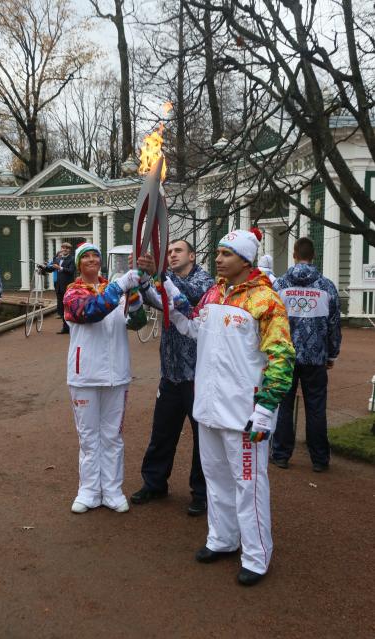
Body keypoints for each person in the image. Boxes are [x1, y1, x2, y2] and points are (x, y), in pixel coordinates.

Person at [165, 229, 295, 585]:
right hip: (209, 406)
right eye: (218, 253)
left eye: (226, 253)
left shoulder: (265, 300)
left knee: (249, 483)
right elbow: (194, 327)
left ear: (244, 259)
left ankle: (256, 555)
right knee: (216, 478)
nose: (218, 258)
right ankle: (222, 539)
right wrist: (163, 292)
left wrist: (266, 408)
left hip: (244, 412)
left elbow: (282, 357)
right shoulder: (212, 294)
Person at [130, 239, 214, 516]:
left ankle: (201, 493)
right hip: (170, 373)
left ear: (192, 255)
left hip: (197, 375)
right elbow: (157, 300)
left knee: (203, 437)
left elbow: (187, 297)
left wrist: (160, 273)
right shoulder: (164, 280)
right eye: (169, 252)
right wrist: (142, 279)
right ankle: (154, 483)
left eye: (178, 251)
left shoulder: (205, 281)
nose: (173, 255)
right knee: (162, 432)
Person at [63, 242, 146, 514]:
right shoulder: (72, 292)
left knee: (112, 436)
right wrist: (121, 286)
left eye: (95, 256)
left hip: (116, 375)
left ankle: (111, 489)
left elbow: (137, 323)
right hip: (84, 374)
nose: (90, 260)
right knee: (88, 438)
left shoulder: (117, 289)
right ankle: (88, 491)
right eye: (85, 257)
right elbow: (90, 312)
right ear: (78, 264)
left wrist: (134, 299)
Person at [271, 237, 342, 472]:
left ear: (294, 254)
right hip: (315, 356)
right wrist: (332, 354)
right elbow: (334, 325)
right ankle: (320, 459)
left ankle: (281, 454)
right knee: (316, 407)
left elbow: (270, 322)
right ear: (314, 256)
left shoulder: (279, 285)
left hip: (285, 355)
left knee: (284, 405)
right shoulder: (327, 286)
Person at [45, 243, 75, 333]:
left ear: (70, 250)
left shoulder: (72, 259)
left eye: (67, 248)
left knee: (68, 307)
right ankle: (65, 327)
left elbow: (71, 271)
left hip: (67, 286)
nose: (64, 249)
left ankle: (71, 327)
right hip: (58, 286)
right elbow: (51, 269)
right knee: (61, 307)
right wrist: (44, 267)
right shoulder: (57, 259)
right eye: (63, 248)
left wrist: (60, 268)